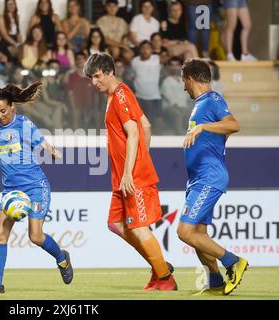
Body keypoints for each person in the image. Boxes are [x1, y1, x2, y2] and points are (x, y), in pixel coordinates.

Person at [0, 82, 73, 294]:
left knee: (35, 236)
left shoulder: (23, 124)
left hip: (34, 188)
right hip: (11, 192)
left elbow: (41, 141)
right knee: (0, 233)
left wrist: (52, 151)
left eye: (3, 111)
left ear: (12, 107)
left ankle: (61, 258)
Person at [84, 52, 177, 291]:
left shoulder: (121, 95)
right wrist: (140, 158)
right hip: (123, 176)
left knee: (137, 227)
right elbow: (146, 124)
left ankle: (165, 279)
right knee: (115, 223)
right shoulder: (115, 95)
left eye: (97, 76)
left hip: (131, 177)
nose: (94, 82)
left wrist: (131, 170)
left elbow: (134, 132)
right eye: (91, 78)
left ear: (109, 72)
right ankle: (160, 267)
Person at [178, 58, 247, 296]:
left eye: (183, 81)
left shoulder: (212, 99)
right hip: (199, 178)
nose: (183, 87)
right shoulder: (201, 105)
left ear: (189, 78)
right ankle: (216, 282)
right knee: (199, 235)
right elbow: (223, 133)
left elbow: (234, 125)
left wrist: (202, 128)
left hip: (209, 177)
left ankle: (233, 262)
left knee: (185, 232)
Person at [131, 40, 166, 134]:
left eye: (148, 48)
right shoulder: (135, 61)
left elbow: (171, 54)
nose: (145, 50)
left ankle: (160, 142)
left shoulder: (157, 58)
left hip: (155, 97)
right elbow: (131, 76)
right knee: (140, 123)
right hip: (139, 97)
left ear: (151, 50)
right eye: (143, 48)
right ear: (140, 50)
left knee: (158, 121)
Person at [67, 52, 98, 129]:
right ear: (75, 61)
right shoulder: (71, 76)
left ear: (86, 61)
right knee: (75, 115)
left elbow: (96, 93)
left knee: (98, 115)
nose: (80, 61)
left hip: (90, 106)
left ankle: (99, 138)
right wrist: (74, 107)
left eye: (82, 59)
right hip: (77, 106)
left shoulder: (92, 76)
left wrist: (95, 108)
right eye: (78, 59)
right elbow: (69, 93)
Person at [160, 56, 191, 134]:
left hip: (183, 107)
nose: (175, 67)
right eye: (172, 65)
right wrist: (183, 108)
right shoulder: (166, 81)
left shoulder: (184, 81)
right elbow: (170, 99)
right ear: (169, 67)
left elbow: (188, 96)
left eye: (177, 65)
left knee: (193, 114)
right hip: (170, 107)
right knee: (178, 115)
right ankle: (179, 136)